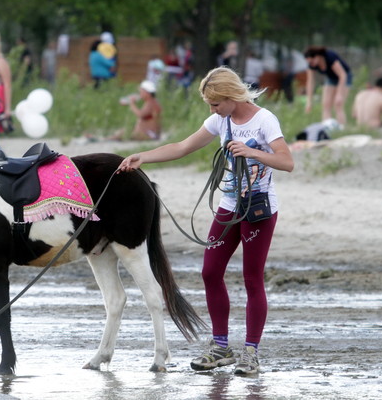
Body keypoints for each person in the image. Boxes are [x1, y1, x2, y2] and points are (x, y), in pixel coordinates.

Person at [118, 66, 294, 376]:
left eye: (215, 104)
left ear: (230, 96)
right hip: (229, 203)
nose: (212, 111)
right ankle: (220, 347)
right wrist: (143, 156)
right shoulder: (220, 120)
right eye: (210, 106)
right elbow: (183, 147)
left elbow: (287, 161)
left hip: (258, 209)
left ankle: (251, 352)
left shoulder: (264, 120)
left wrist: (253, 153)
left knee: (252, 278)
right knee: (210, 272)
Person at [303, 46, 353, 127]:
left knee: (338, 104)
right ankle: (326, 128)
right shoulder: (311, 65)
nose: (311, 64)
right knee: (326, 104)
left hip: (344, 77)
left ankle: (342, 127)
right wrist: (309, 101)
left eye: (311, 62)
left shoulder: (330, 57)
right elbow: (310, 82)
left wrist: (339, 93)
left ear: (317, 57)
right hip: (331, 78)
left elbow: (342, 75)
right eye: (309, 63)